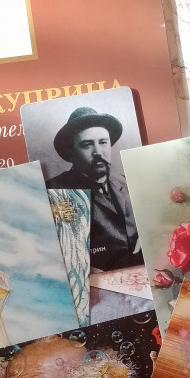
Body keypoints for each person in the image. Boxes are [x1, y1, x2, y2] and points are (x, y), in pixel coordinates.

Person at [46, 106, 142, 271]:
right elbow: (72, 260)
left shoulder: (124, 181)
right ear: (71, 153)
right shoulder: (58, 191)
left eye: (103, 142)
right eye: (87, 145)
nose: (98, 152)